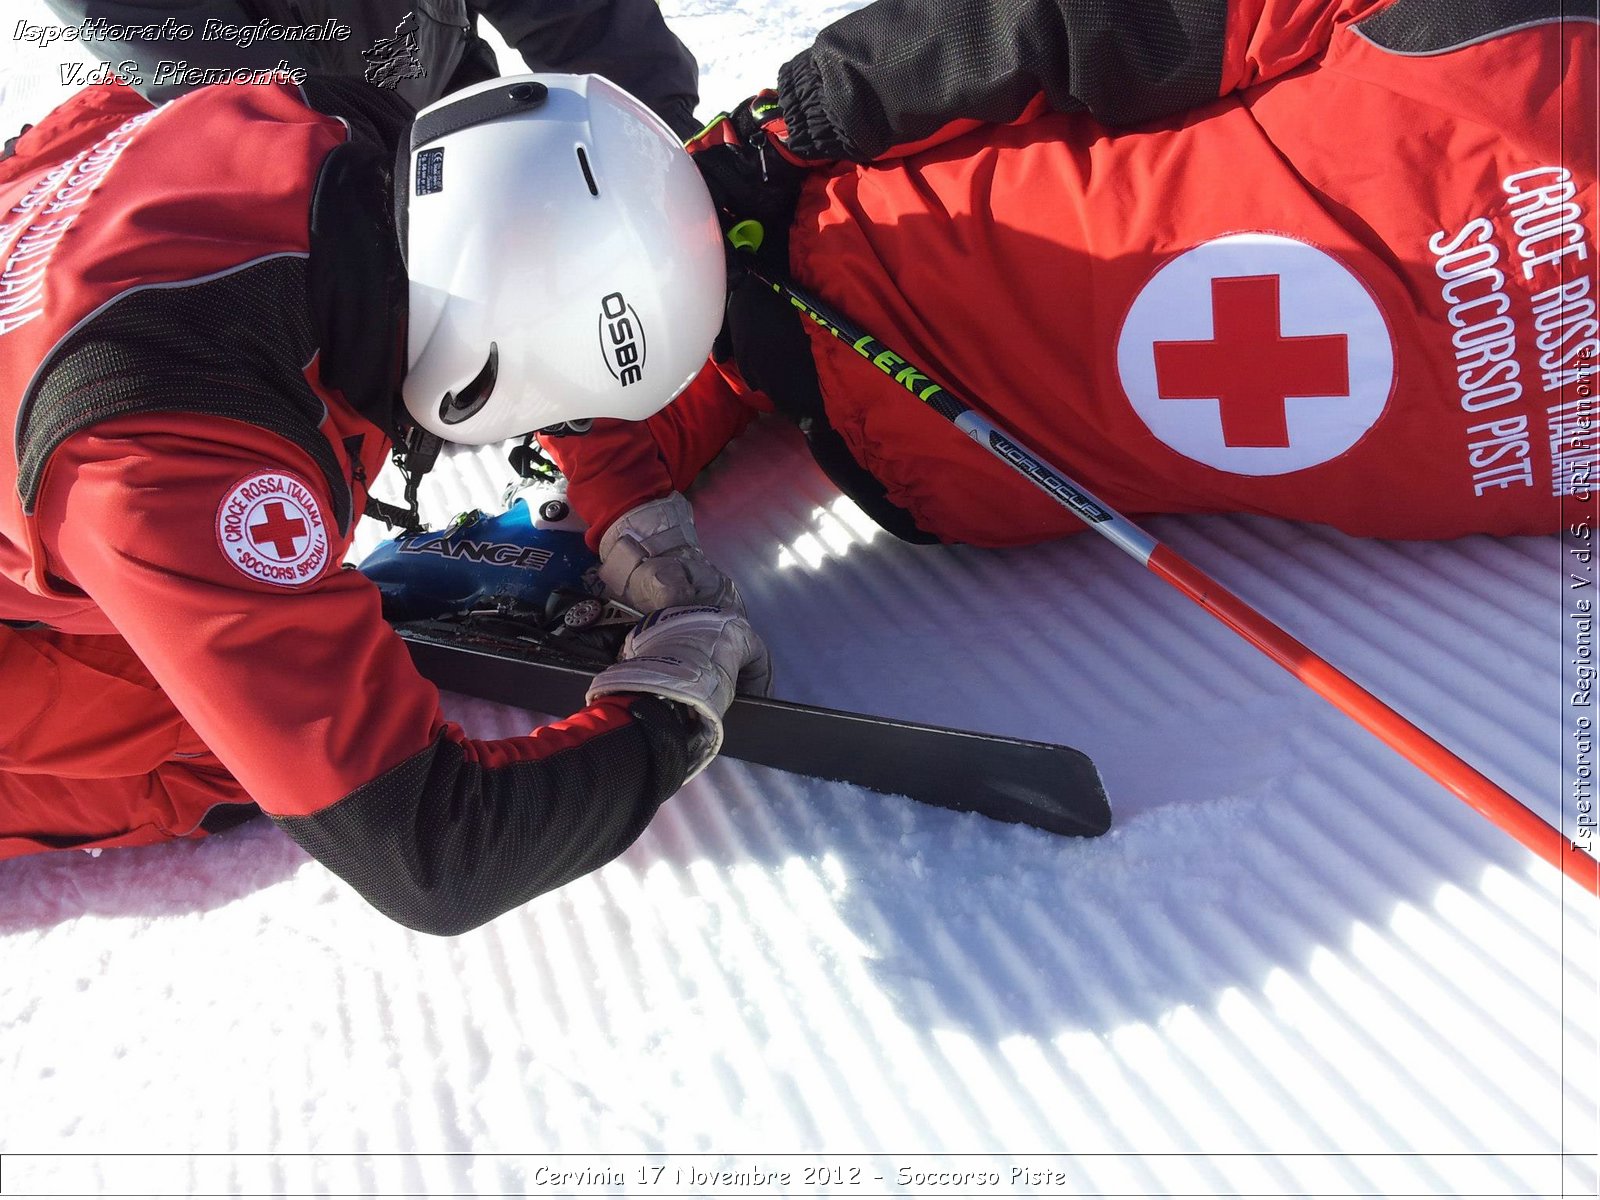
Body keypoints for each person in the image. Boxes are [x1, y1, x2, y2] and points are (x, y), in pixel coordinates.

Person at [0, 72, 769, 936]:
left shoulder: (325, 136)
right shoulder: (172, 461)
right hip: (86, 464)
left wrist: (629, 502)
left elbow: (514, 277)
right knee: (230, 750)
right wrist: (664, 717)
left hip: (65, 383)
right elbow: (432, 852)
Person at [533, 0, 1596, 606]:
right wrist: (793, 125)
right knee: (671, 302)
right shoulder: (1523, 43)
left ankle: (611, 482)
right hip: (850, 253)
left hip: (956, 474)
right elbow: (1085, 18)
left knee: (702, 331)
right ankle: (592, 476)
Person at [41, 0, 701, 135]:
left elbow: (576, 16)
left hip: (442, 84)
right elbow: (256, 123)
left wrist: (655, 129)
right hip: (277, 187)